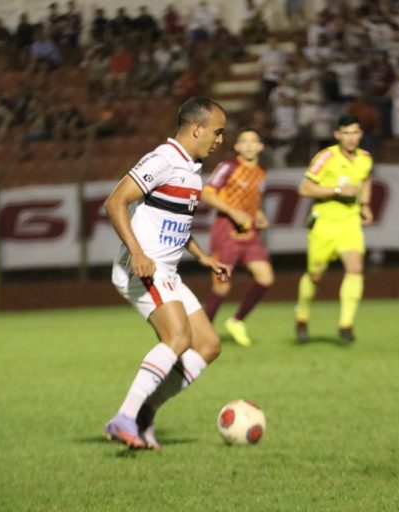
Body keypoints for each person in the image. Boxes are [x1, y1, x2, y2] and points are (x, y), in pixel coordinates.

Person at [104, 97, 230, 449]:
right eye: (218, 132)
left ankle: (145, 413)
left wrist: (202, 256)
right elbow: (115, 202)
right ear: (197, 129)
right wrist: (137, 252)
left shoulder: (191, 167)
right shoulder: (163, 159)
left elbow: (173, 221)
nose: (220, 139)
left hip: (167, 272)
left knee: (208, 345)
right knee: (178, 337)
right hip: (142, 268)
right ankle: (124, 417)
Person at [294, 113, 374, 344]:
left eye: (354, 133)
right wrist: (337, 191)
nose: (350, 138)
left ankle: (346, 324)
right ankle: (302, 315)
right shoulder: (326, 157)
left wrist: (365, 204)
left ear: (360, 134)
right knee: (315, 275)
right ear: (337, 134)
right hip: (324, 223)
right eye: (346, 133)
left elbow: (366, 179)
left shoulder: (365, 158)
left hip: (349, 222)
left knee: (355, 268)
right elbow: (304, 188)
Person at [202, 127, 274, 347]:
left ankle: (236, 321)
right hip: (226, 232)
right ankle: (202, 332)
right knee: (222, 286)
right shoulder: (228, 167)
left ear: (260, 146)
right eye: (244, 141)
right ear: (237, 147)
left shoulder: (261, 172)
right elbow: (207, 193)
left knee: (265, 277)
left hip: (250, 233)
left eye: (253, 141)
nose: (249, 145)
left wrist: (258, 214)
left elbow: (252, 201)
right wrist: (233, 212)